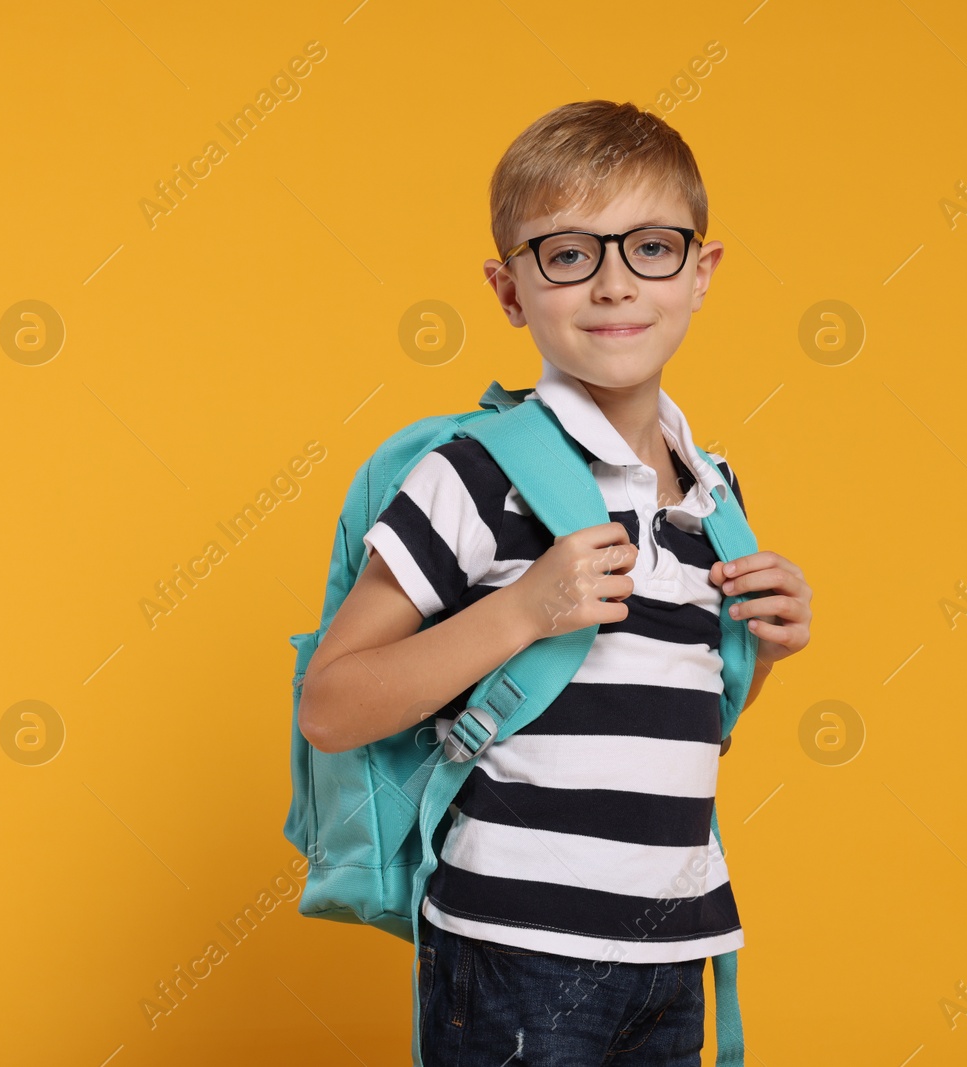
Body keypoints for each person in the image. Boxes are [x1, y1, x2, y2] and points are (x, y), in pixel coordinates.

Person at [297, 99, 813, 1065]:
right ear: (508, 290)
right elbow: (330, 704)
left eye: (652, 247)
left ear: (701, 274)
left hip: (676, 943)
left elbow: (675, 736)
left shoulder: (715, 492)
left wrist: (764, 650)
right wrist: (527, 607)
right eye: (570, 254)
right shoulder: (474, 475)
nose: (615, 284)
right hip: (514, 951)